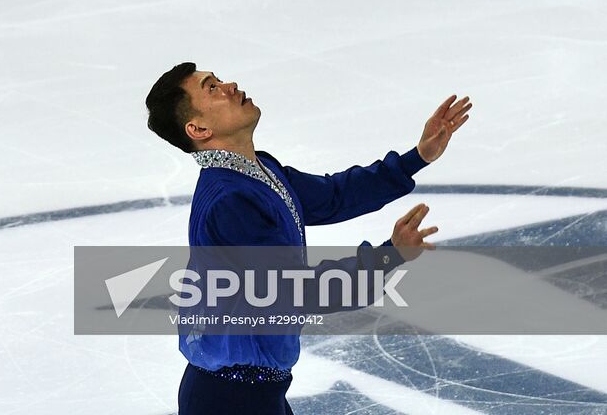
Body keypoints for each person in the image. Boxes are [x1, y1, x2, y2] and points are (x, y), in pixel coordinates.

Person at [145, 62, 472, 414]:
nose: (230, 85)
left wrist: (417, 157)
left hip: (256, 390)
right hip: (229, 398)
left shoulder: (258, 170)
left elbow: (332, 196)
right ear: (199, 128)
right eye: (211, 88)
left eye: (219, 80)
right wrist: (389, 256)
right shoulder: (231, 202)